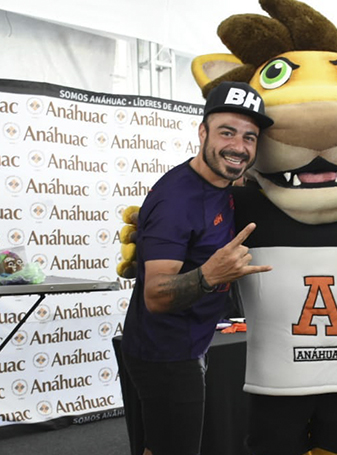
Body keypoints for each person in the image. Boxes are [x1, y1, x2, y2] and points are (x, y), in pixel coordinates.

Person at [119, 81, 274, 455]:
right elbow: (156, 295)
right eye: (227, 133)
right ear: (202, 132)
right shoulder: (177, 199)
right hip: (166, 354)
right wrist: (210, 275)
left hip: (186, 344)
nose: (239, 146)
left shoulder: (222, 180)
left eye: (249, 137)